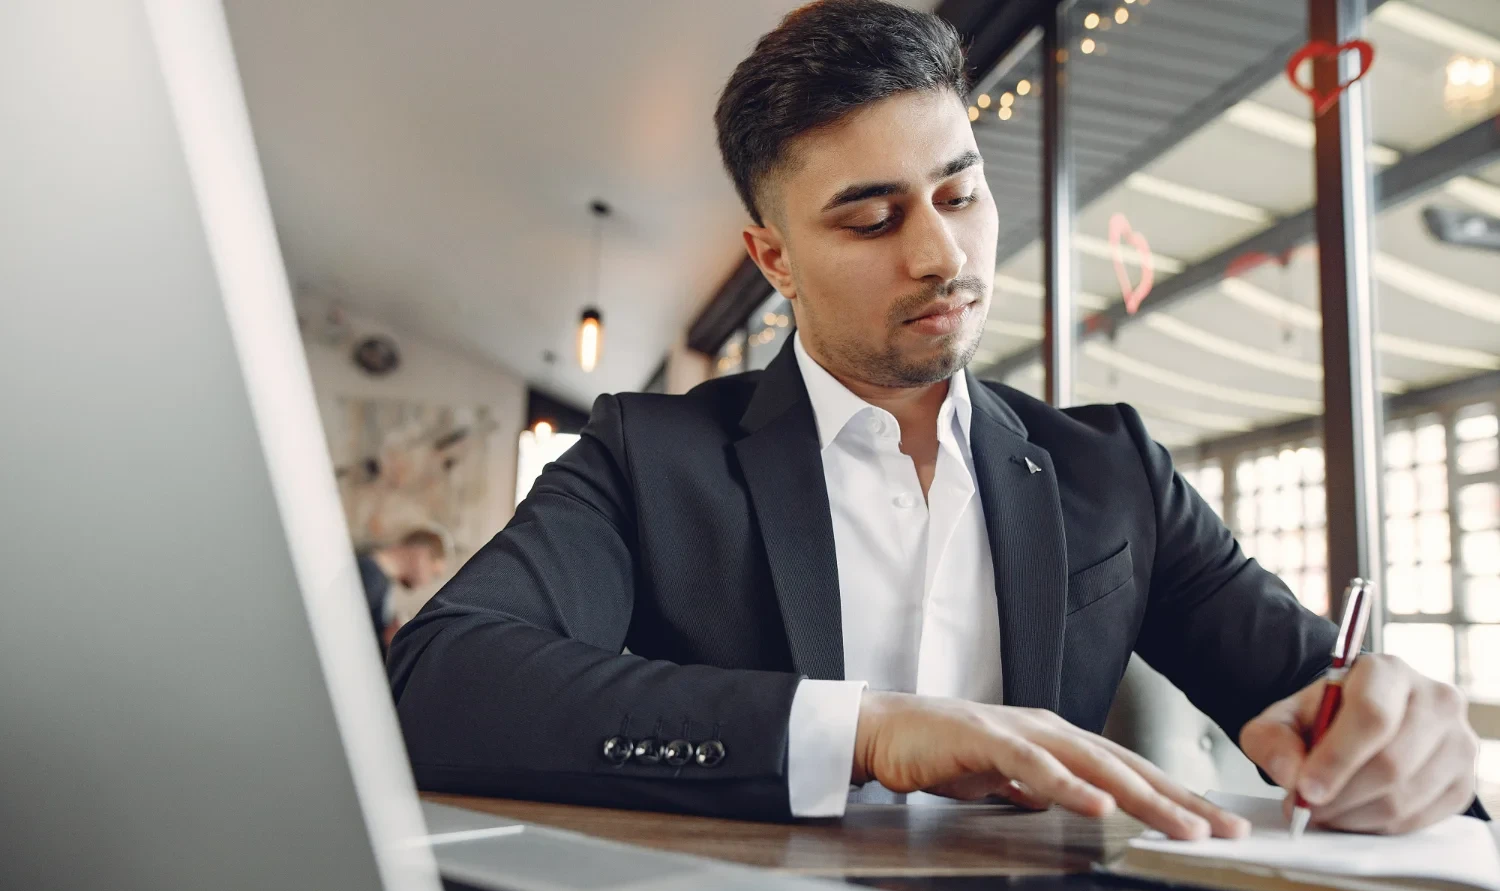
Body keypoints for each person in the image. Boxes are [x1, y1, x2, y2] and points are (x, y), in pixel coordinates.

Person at [389, 0, 1480, 838]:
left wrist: (1400, 740)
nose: (942, 256)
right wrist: (862, 729)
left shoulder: (1113, 472)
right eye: (871, 219)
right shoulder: (649, 456)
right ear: (773, 258)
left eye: (960, 195)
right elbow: (441, 681)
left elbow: (1312, 696)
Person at [356, 527, 451, 657]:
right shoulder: (370, 578)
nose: (427, 583)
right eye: (433, 574)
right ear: (422, 555)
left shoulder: (376, 580)